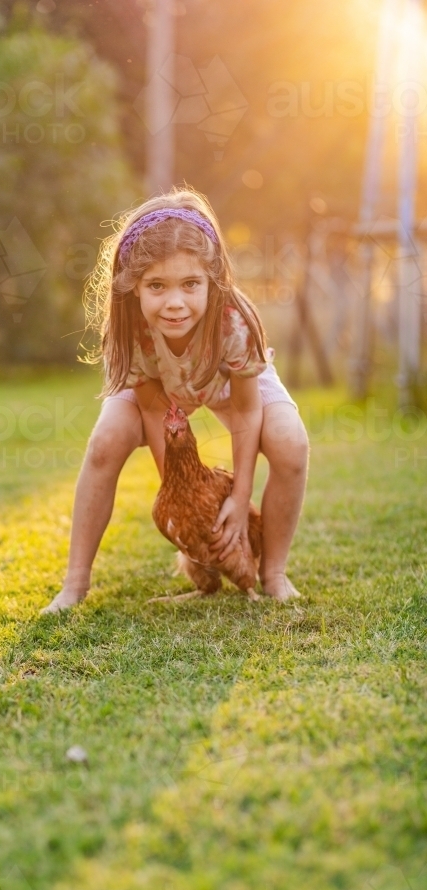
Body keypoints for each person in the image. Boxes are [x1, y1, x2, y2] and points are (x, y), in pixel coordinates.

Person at [42, 187, 309, 612]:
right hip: (160, 387)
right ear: (133, 287)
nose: (175, 303)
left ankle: (273, 572)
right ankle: (75, 583)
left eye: (190, 284)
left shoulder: (233, 323)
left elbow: (245, 409)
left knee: (290, 443)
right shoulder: (130, 328)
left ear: (212, 280)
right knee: (105, 441)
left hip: (224, 378)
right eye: (156, 286)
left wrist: (239, 500)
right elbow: (150, 406)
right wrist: (186, 504)